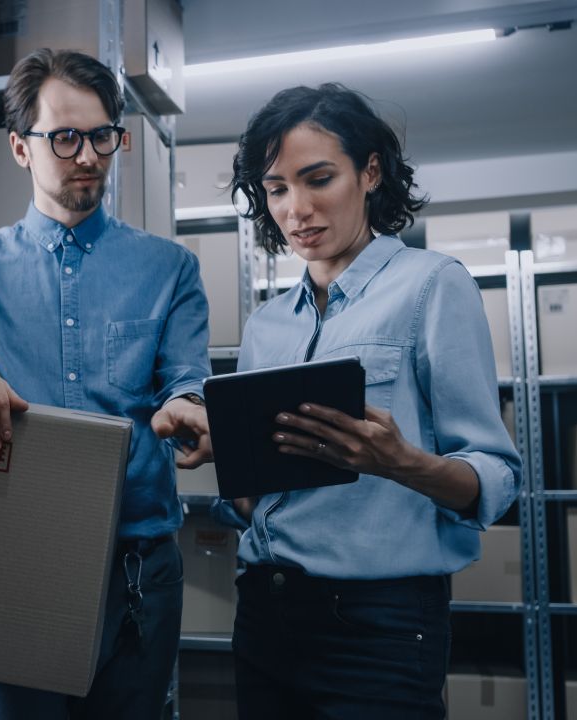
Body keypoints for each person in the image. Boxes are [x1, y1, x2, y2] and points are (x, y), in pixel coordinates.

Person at [0, 48, 212, 719]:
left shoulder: (169, 270)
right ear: (19, 148)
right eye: (64, 137)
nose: (87, 155)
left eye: (102, 136)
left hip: (136, 573)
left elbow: (186, 382)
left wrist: (189, 405)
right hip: (0, 564)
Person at [224, 83, 522, 719]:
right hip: (264, 611)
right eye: (277, 188)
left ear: (370, 171)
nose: (296, 208)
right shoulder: (265, 325)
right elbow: (256, 500)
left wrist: (399, 461)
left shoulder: (432, 287)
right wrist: (226, 456)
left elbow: (497, 476)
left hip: (377, 625)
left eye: (318, 178)